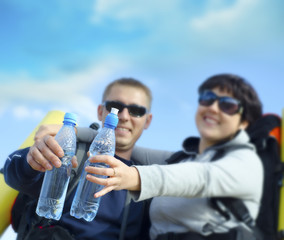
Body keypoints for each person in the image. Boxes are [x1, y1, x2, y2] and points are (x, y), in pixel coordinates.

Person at [84, 74, 264, 240]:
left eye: (227, 105)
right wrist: (72, 130)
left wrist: (134, 176)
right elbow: (124, 143)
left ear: (244, 122)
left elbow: (200, 177)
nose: (213, 108)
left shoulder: (246, 162)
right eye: (207, 99)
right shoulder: (182, 160)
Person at [4, 77, 167, 240]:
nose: (124, 116)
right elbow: (13, 173)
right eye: (115, 107)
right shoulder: (72, 152)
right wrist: (32, 161)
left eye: (136, 111)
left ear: (148, 120)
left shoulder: (148, 183)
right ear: (100, 111)